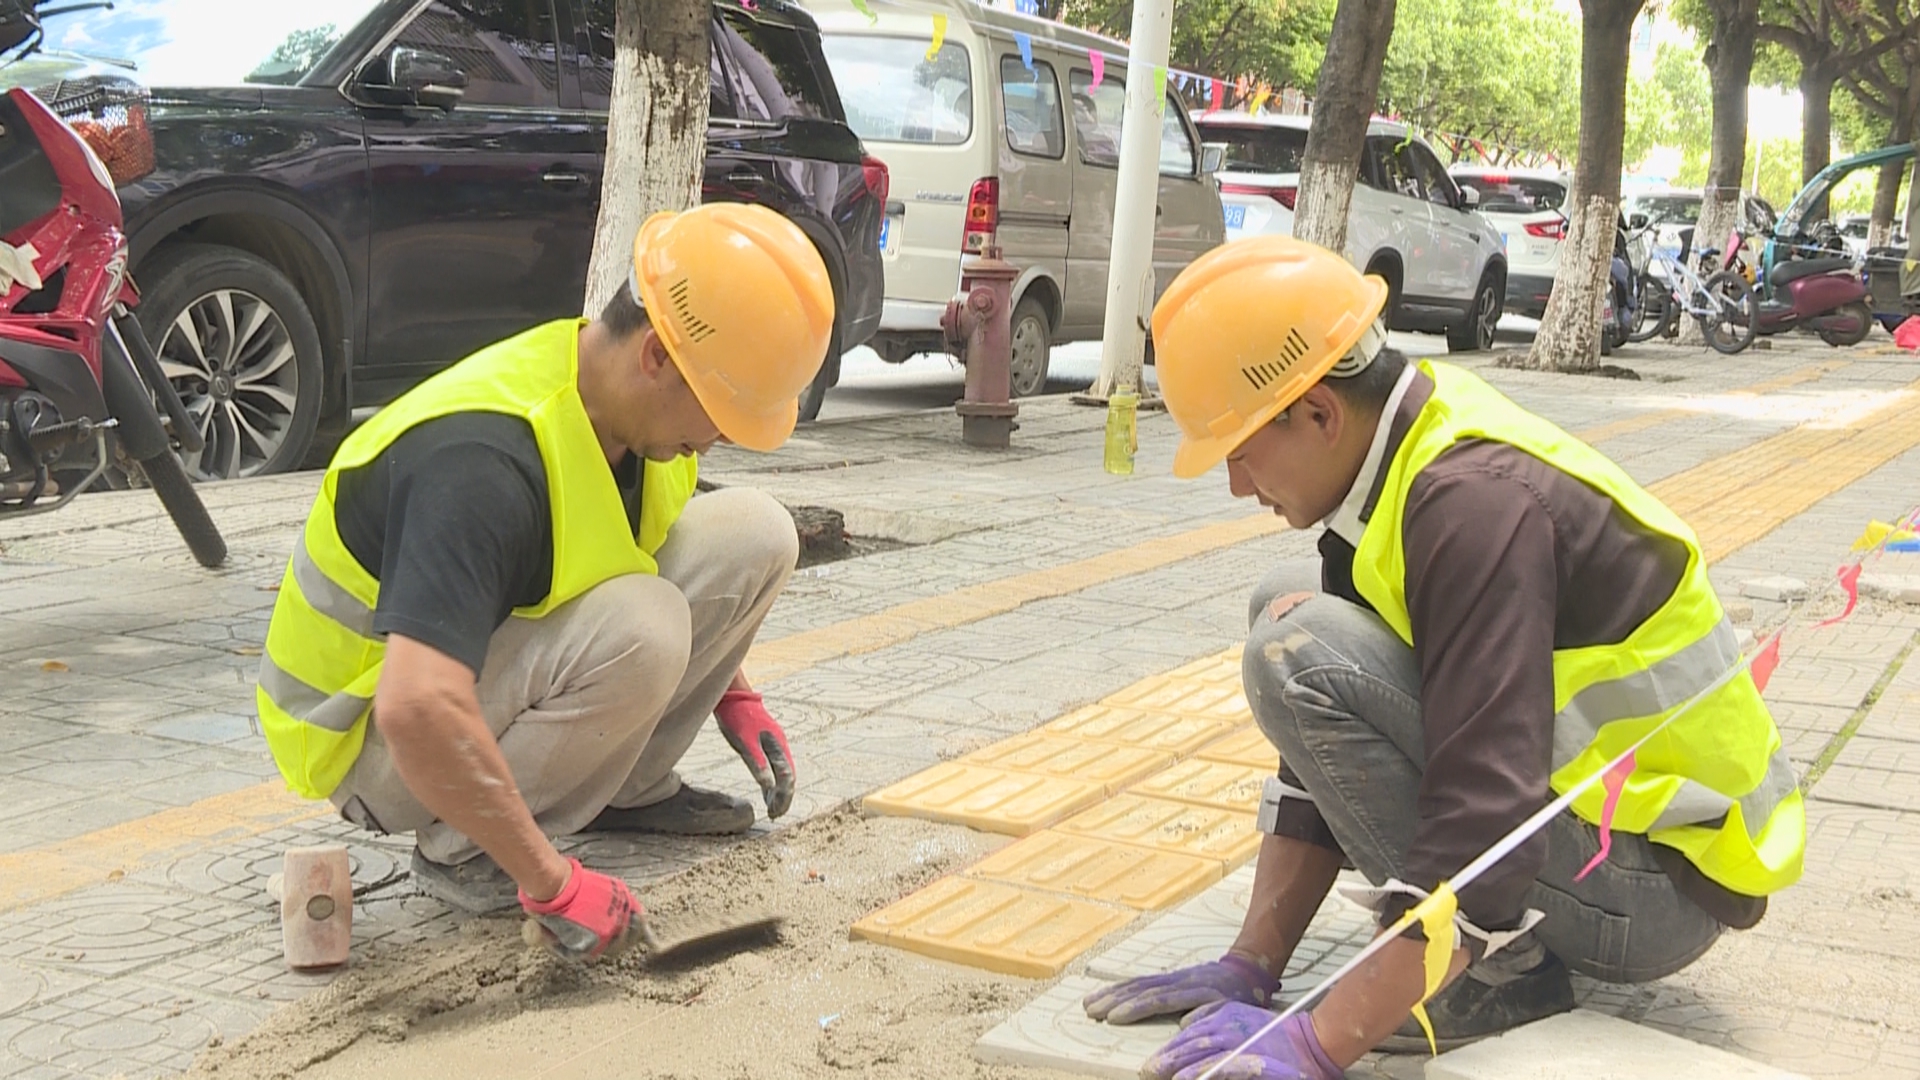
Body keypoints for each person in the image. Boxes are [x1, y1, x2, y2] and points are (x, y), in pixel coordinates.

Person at [1083, 236, 1803, 1078]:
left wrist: (1324, 1042)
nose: (1239, 485)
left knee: (1294, 648)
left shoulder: (1471, 505)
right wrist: (1254, 963)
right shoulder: (1395, 455)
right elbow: (1320, 756)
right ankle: (1468, 953)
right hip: (1606, 845)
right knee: (1284, 611)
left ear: (1318, 414)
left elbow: (1484, 822)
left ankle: (1507, 971)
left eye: (1240, 450)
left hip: (1657, 886)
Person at [255, 203, 835, 961]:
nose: (724, 434)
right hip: (364, 734)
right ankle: (468, 849)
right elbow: (415, 706)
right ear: (657, 356)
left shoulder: (639, 417)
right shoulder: (483, 466)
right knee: (645, 624)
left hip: (461, 673)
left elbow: (630, 548)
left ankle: (624, 791)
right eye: (724, 409)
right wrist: (551, 882)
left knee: (758, 530)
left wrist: (732, 688)